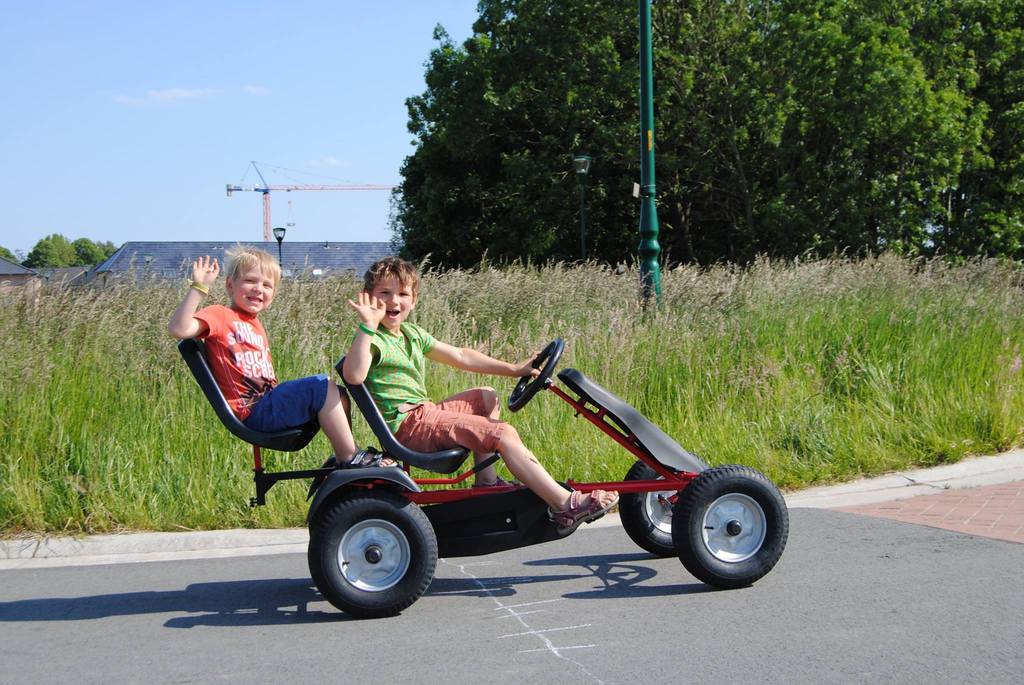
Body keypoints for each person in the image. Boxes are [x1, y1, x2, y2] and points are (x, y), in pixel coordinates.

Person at [342, 256, 618, 533]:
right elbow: (353, 375)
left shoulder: (411, 334)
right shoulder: (372, 338)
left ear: (414, 300)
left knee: (487, 397)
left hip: (425, 414)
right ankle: (565, 505)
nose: (394, 302)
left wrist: (513, 369)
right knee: (503, 433)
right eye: (384, 293)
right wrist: (367, 325)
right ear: (369, 298)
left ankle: (487, 481)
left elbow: (461, 356)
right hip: (409, 426)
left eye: (403, 294)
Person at [168, 246, 385, 468]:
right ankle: (349, 457)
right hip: (254, 411)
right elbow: (179, 329)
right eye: (250, 281)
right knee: (322, 385)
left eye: (267, 285)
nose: (258, 289)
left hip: (267, 403)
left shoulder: (254, 323)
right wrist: (199, 288)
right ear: (230, 285)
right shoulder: (220, 315)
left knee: (338, 393)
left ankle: (345, 455)